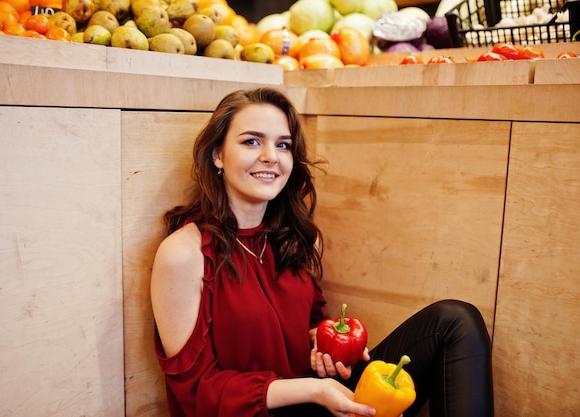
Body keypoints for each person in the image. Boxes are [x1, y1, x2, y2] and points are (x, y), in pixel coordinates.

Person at [150, 87, 494, 417]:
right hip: (269, 410)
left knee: (453, 322)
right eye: (252, 141)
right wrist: (313, 390)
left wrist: (326, 346)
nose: (271, 155)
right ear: (217, 155)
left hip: (317, 400)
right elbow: (197, 391)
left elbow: (307, 326)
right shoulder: (184, 254)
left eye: (283, 145)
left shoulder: (295, 239)